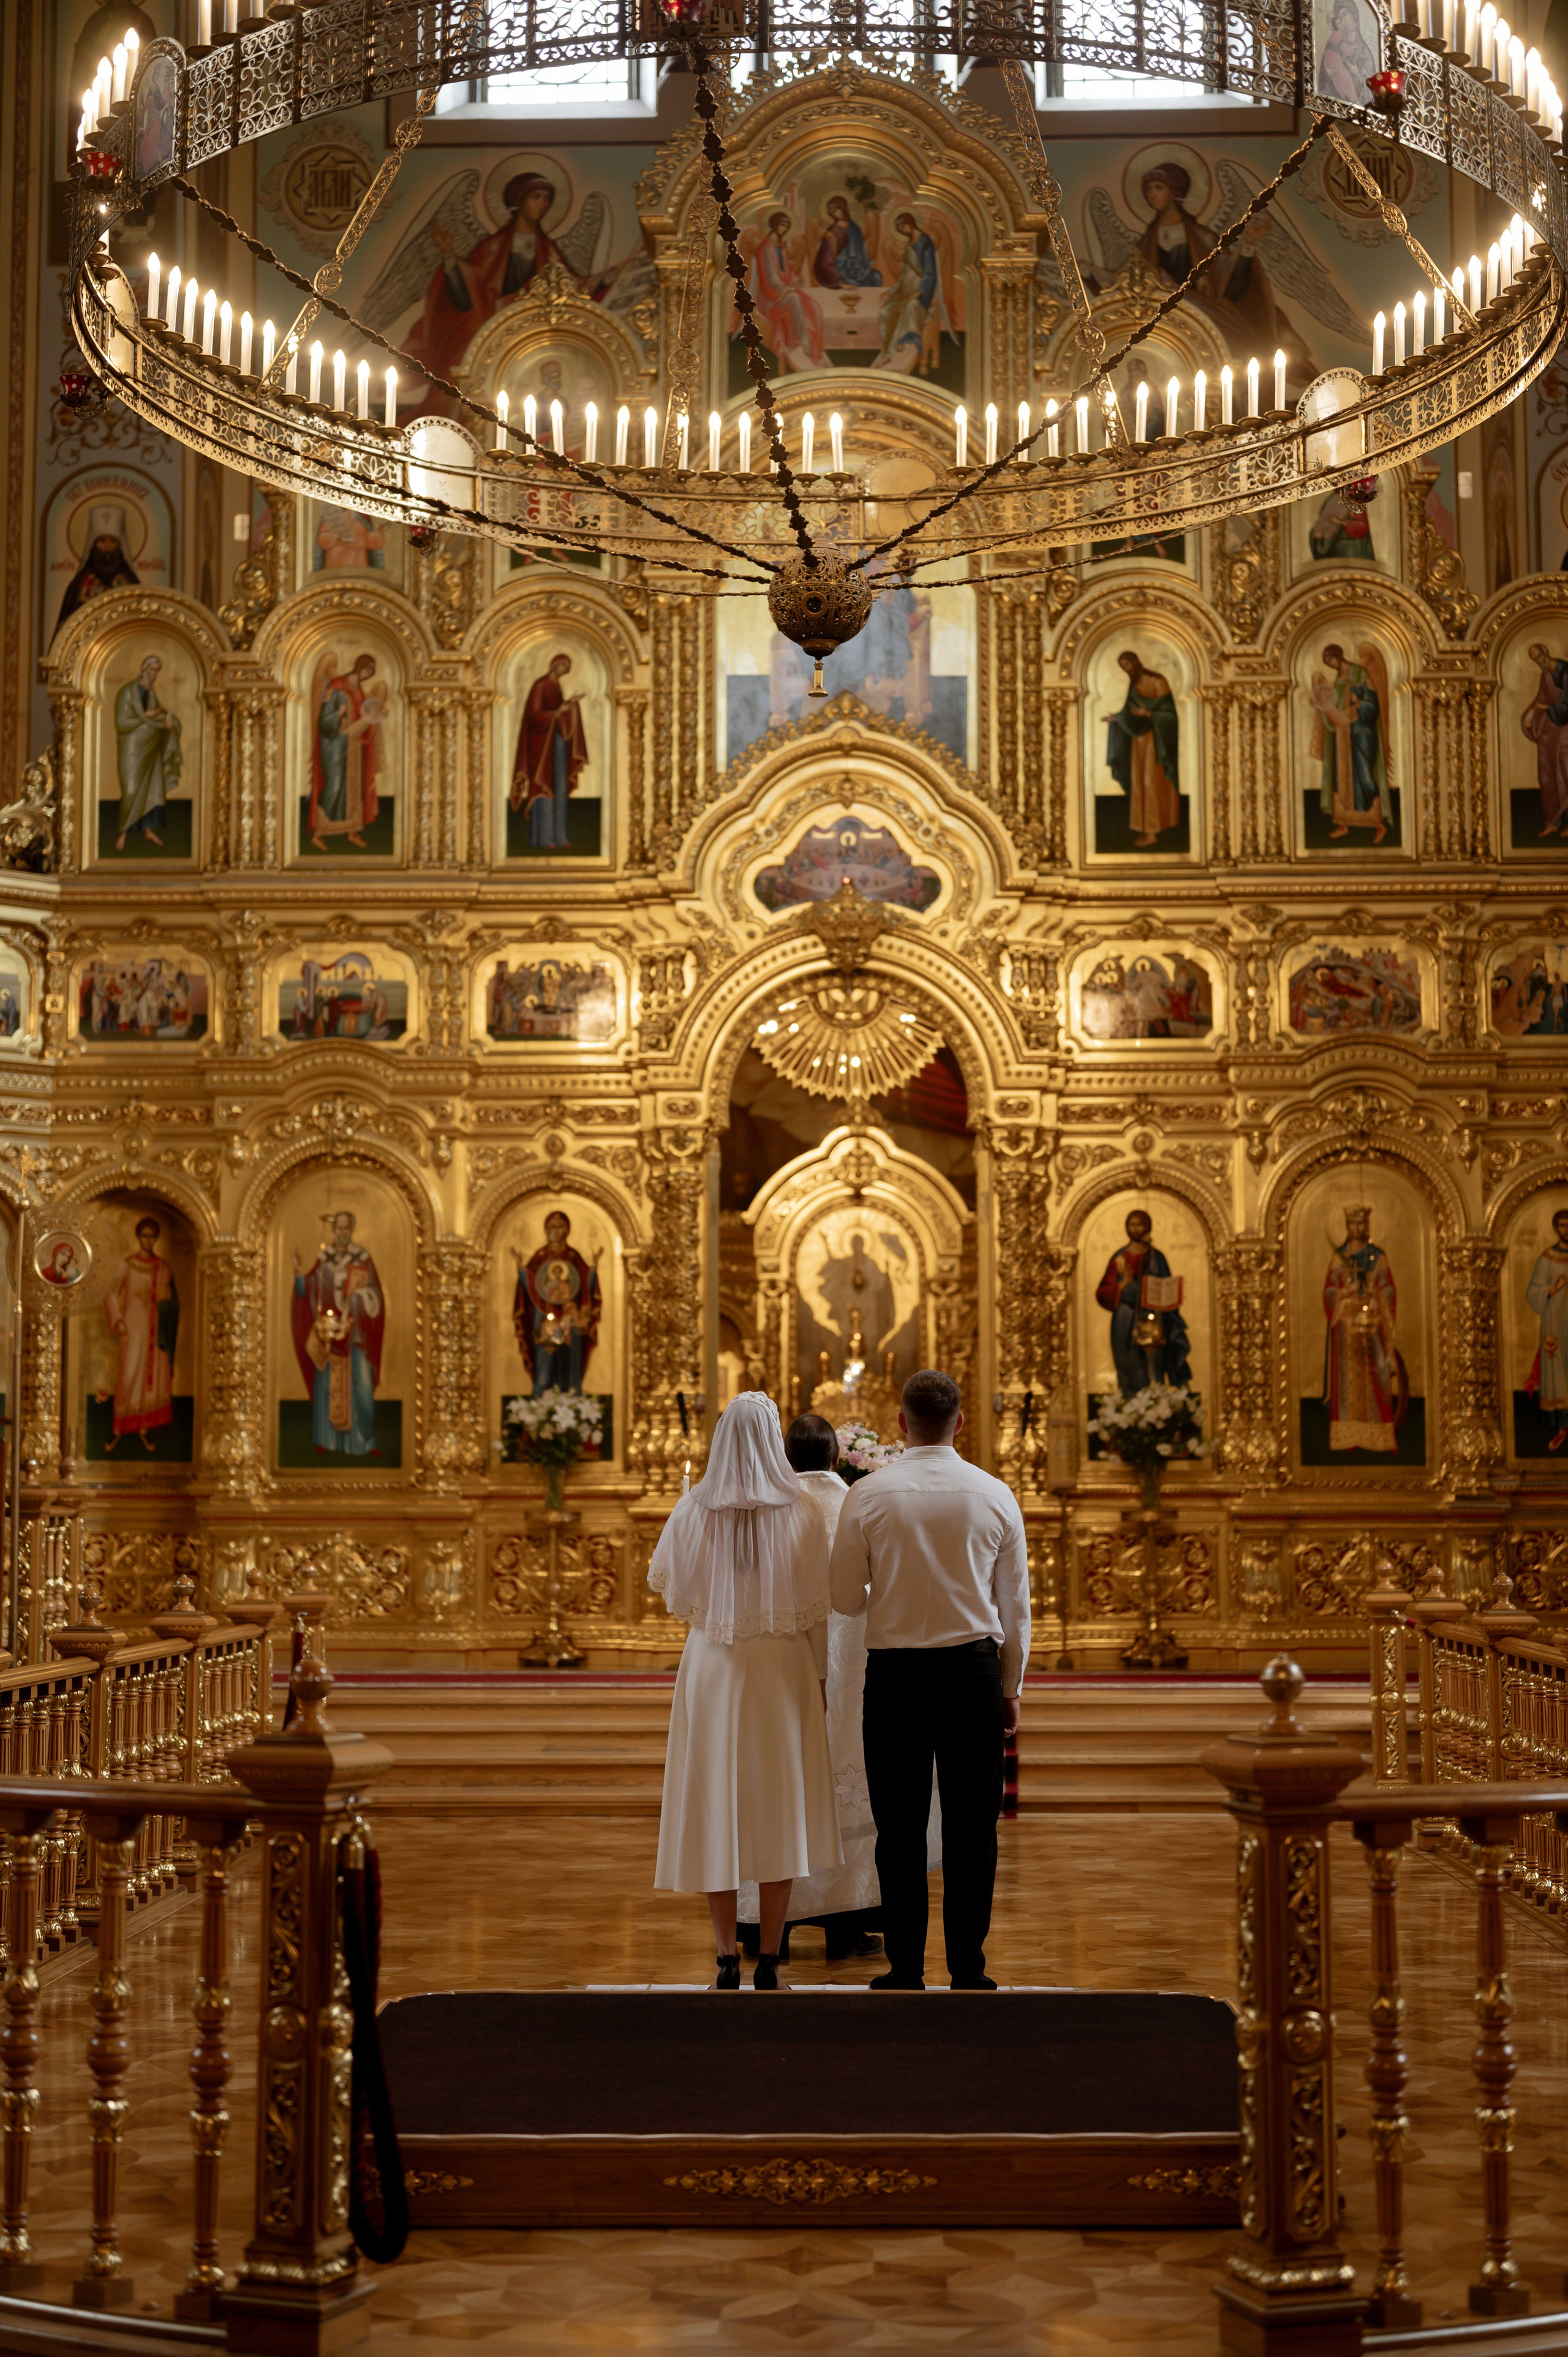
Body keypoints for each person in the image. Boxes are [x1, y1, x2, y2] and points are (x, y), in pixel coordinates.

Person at [829, 1368, 1029, 1991]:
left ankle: (905, 1966)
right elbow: (1014, 1606)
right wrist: (1010, 1684)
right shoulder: (995, 1493)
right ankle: (968, 1966)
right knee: (973, 1825)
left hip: (894, 1676)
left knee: (900, 1826)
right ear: (960, 1422)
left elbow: (842, 1596)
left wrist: (889, 1587)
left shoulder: (868, 1494)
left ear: (900, 1423)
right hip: (972, 1670)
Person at [650, 1392, 842, 1989]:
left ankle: (723, 1953)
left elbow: (673, 1593)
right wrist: (820, 1679)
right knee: (779, 1803)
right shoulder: (805, 1511)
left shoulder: (690, 1510)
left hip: (713, 1665)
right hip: (783, 1666)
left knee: (718, 1803)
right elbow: (818, 1610)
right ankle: (766, 1957)